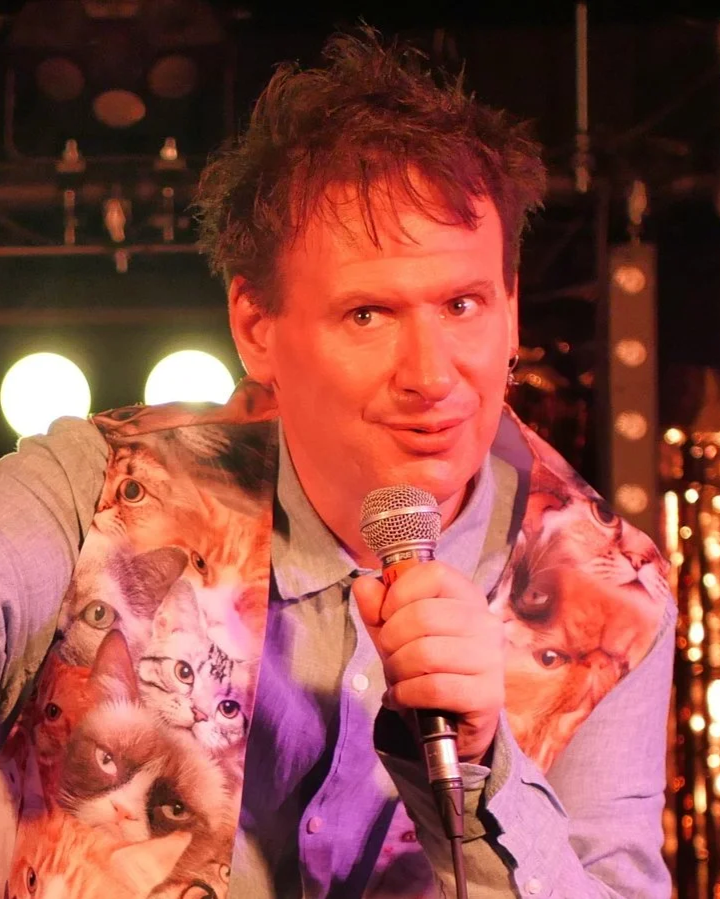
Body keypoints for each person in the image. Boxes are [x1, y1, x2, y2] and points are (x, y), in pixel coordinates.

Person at [0, 27, 674, 899]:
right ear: (256, 327)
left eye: (464, 303)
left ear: (511, 307)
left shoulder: (612, 599)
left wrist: (484, 768)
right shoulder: (104, 487)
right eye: (367, 314)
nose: (432, 376)